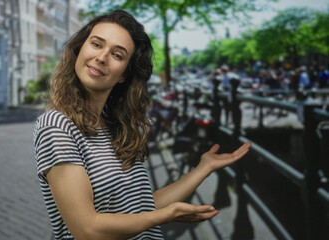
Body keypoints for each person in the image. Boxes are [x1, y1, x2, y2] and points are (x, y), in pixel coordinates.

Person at [33, 10, 251, 240]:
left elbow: (138, 207)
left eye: (117, 55)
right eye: (96, 44)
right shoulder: (57, 125)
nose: (102, 57)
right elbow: (87, 230)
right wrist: (167, 215)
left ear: (123, 76)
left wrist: (203, 168)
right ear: (79, 50)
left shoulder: (113, 125)